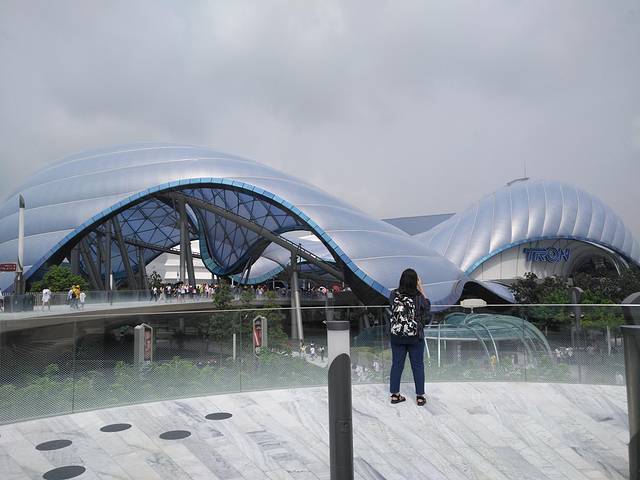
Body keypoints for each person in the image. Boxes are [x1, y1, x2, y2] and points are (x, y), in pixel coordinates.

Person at [388, 268, 430, 406]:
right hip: (415, 336)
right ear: (415, 281)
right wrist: (420, 287)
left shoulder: (393, 294)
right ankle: (420, 397)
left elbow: (392, 307)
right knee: (417, 365)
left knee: (397, 364)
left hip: (397, 335)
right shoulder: (418, 296)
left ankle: (395, 395)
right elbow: (427, 307)